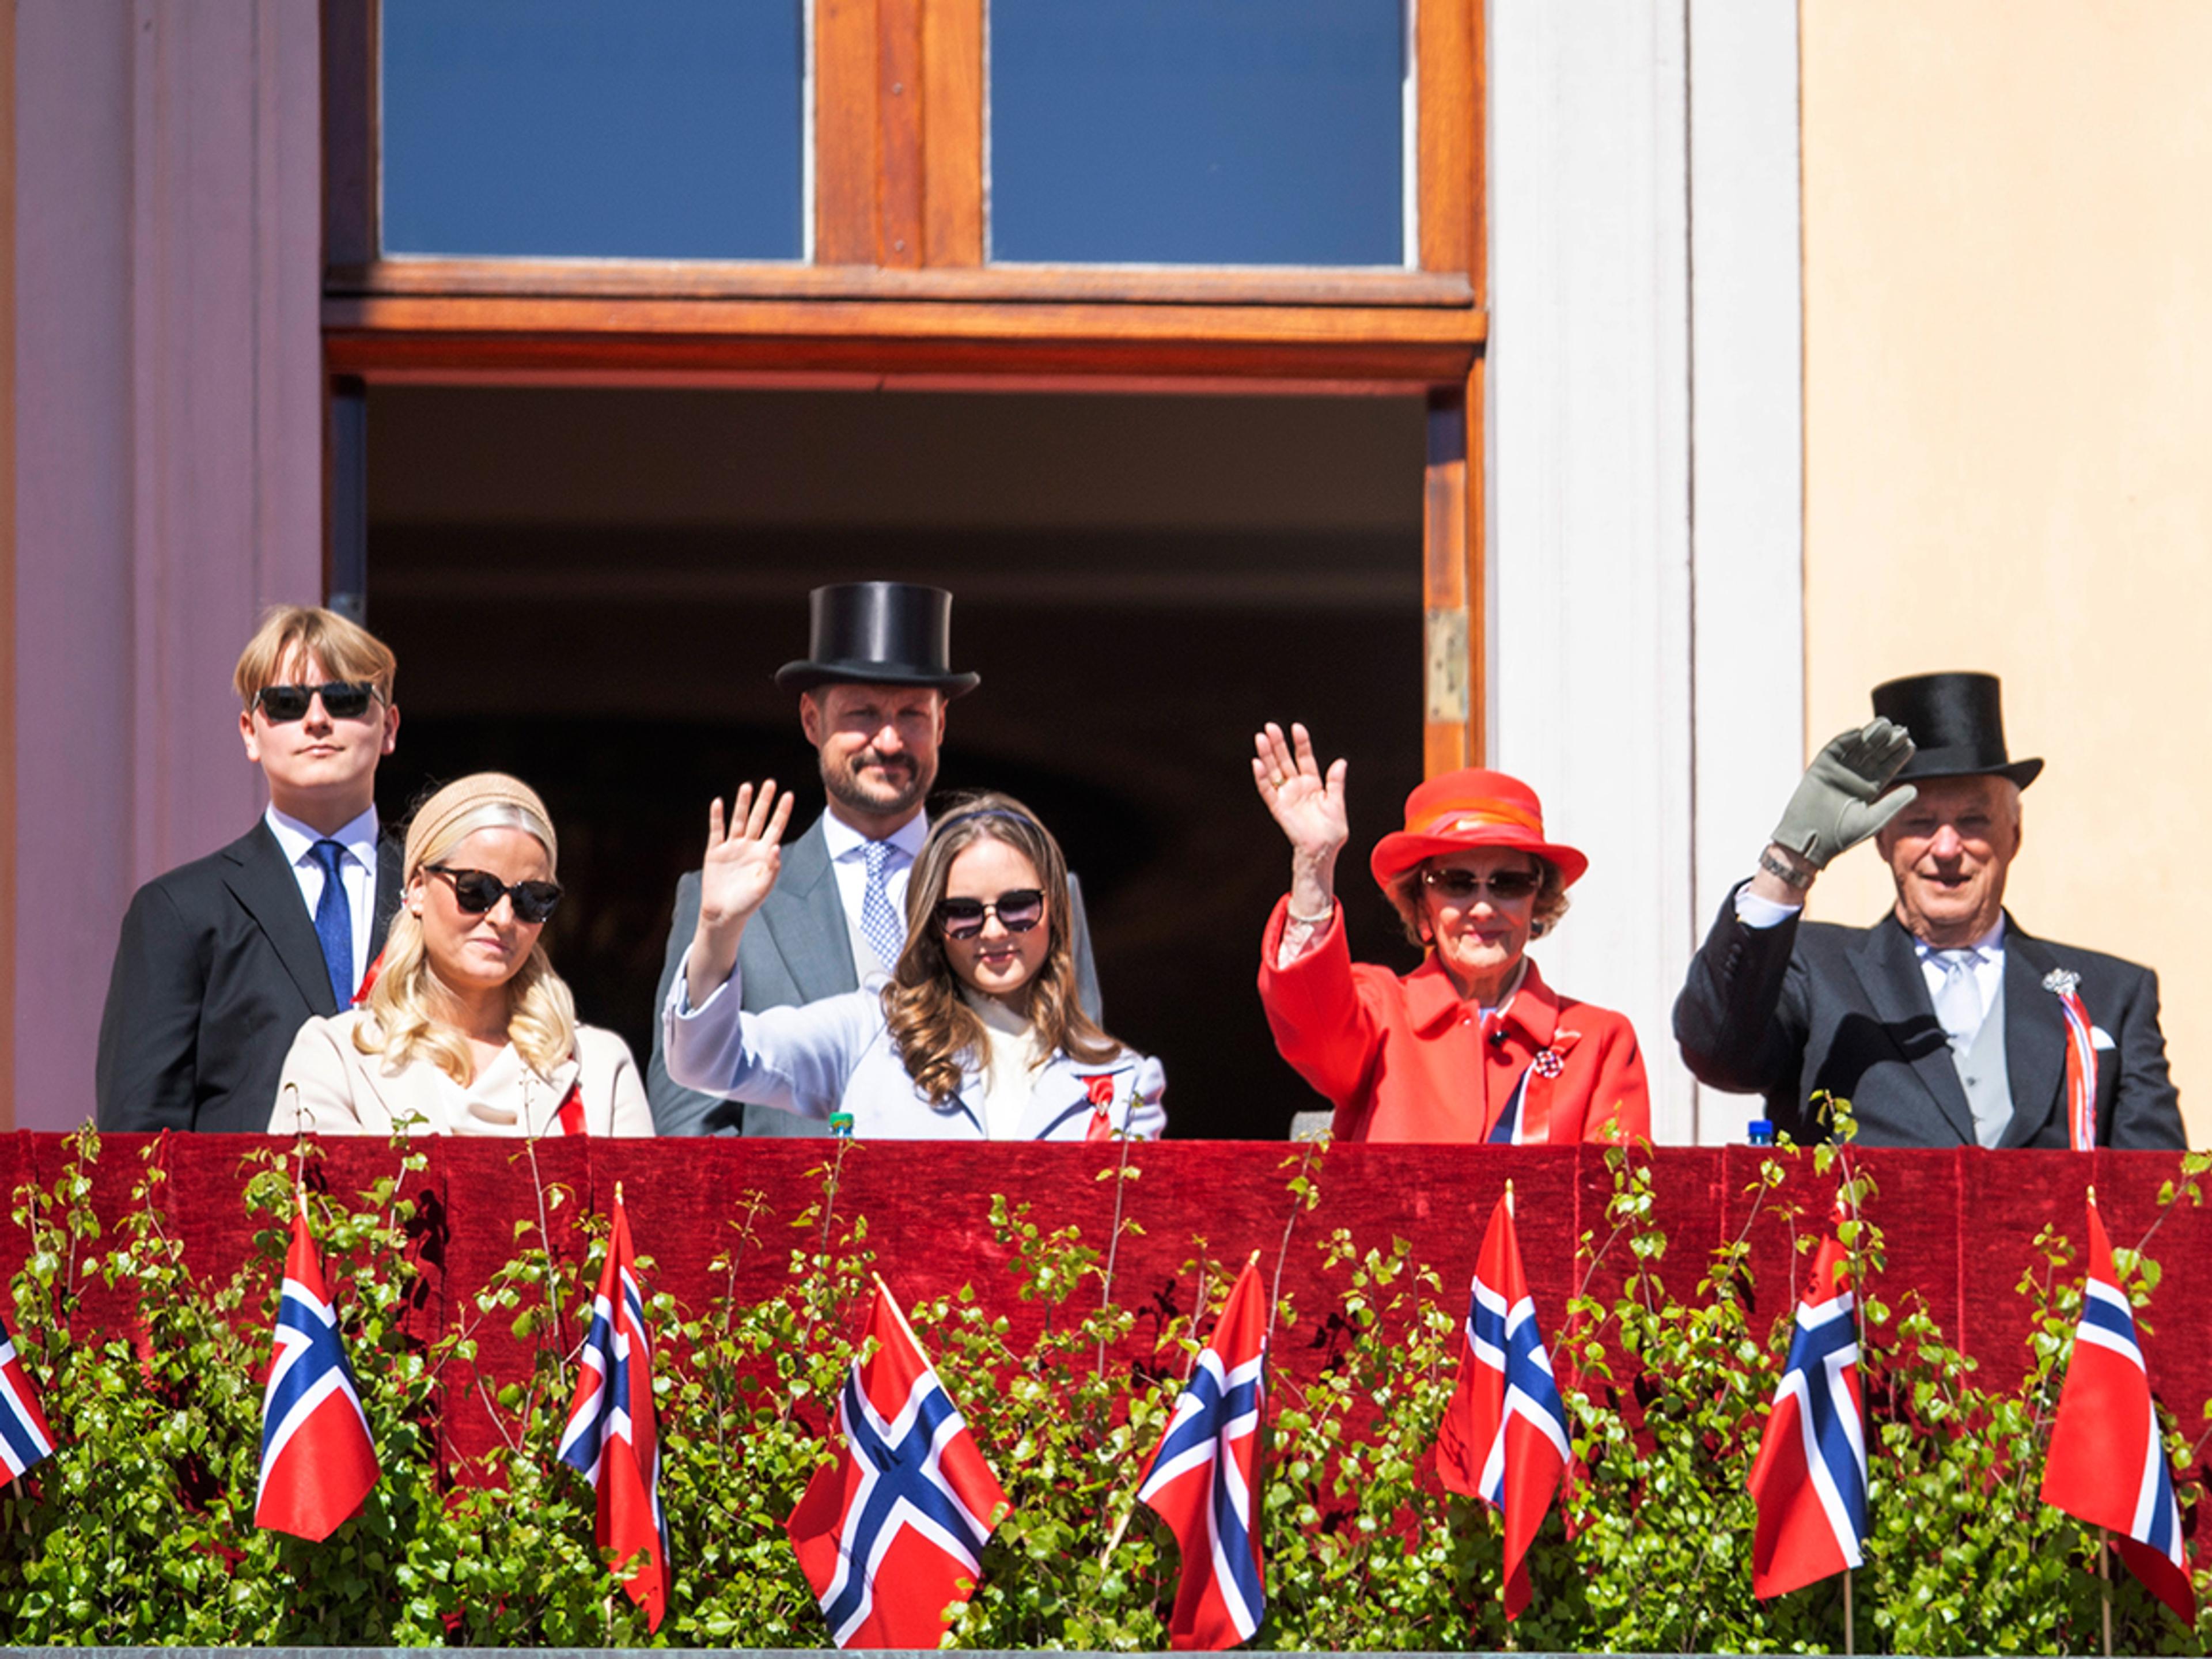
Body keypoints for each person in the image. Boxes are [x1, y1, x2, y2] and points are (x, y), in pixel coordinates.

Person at [647, 580, 1102, 1136]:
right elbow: (689, 1127)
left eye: (911, 714)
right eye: (862, 714)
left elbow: (1087, 1107)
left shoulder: (1038, 902)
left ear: (941, 723)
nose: (888, 741)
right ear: (812, 721)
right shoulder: (724, 902)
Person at [1674, 672, 2184, 1149]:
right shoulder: (1814, 970)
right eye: (1919, 822)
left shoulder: (2111, 994)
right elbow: (1716, 1052)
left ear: (2014, 834)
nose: (1946, 848)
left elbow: (2161, 1193)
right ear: (1882, 840)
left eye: (1973, 820)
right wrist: (1790, 862)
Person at [664, 784, 1161, 1140]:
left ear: (1055, 910)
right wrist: (718, 929)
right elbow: (706, 1061)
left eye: (1017, 907)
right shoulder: (871, 1031)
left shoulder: (1127, 1080)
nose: (993, 931)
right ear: (932, 925)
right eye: (963, 913)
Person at [1250, 722, 1650, 1144]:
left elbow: (1619, 1186)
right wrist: (1314, 864)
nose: (1483, 907)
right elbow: (1313, 1024)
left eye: (1509, 883)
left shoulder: (1600, 1041)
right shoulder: (1379, 1013)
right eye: (1456, 883)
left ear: (1538, 898)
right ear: (1421, 901)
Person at [95, 606, 406, 1133]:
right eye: (286, 703)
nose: (316, 720)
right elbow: (138, 1130)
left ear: (389, 727)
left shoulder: (449, 896)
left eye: (345, 699)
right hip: (245, 1190)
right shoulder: (180, 910)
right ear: (250, 733)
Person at [270, 772, 650, 1138]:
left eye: (532, 899)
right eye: (477, 890)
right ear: (418, 889)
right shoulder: (336, 1056)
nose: (503, 918)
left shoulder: (599, 1068)